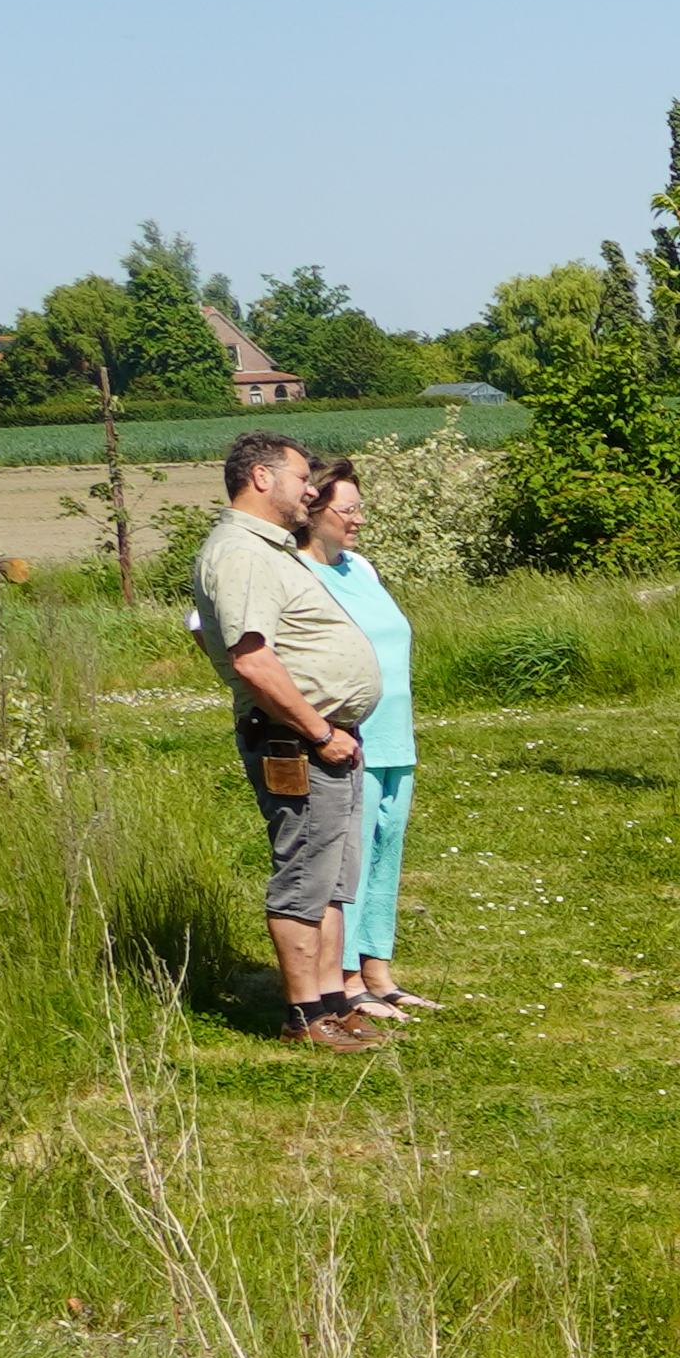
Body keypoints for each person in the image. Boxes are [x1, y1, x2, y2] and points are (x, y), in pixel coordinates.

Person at [191, 431, 385, 1049]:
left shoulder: (265, 548)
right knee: (304, 877)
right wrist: (318, 729)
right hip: (298, 743)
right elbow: (251, 657)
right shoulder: (241, 552)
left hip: (325, 739)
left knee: (331, 880)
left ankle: (331, 1004)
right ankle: (304, 1017)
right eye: (303, 478)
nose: (311, 490)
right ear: (261, 478)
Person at [297, 456, 439, 1016]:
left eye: (359, 508)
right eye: (347, 509)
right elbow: (207, 628)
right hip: (347, 737)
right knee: (348, 863)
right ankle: (347, 981)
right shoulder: (296, 573)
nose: (357, 519)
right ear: (313, 511)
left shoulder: (361, 567)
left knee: (387, 851)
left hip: (395, 735)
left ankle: (378, 969)